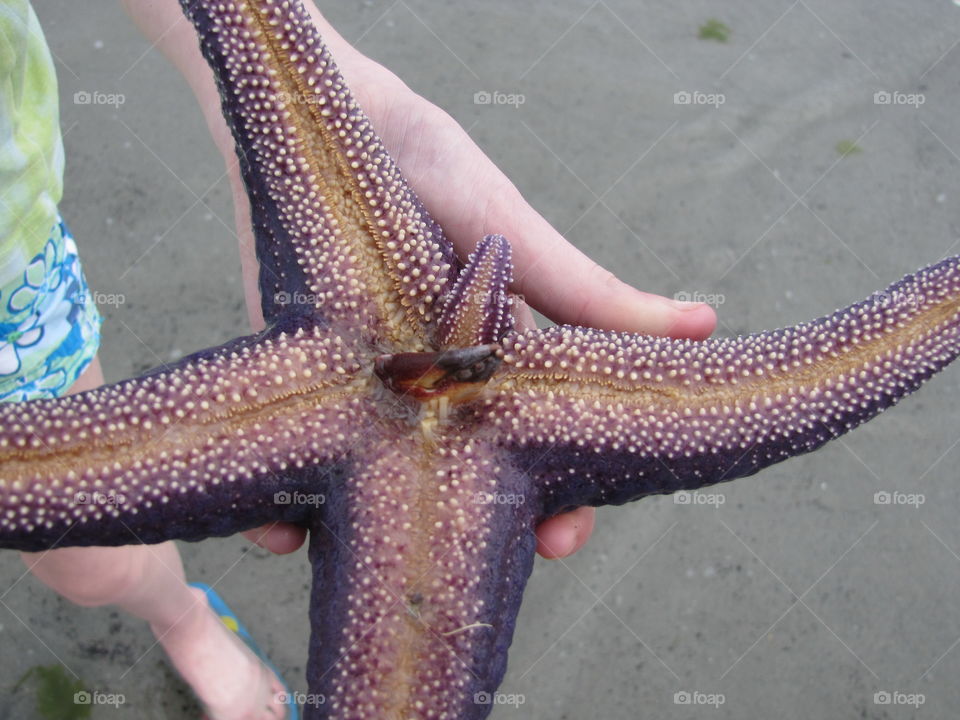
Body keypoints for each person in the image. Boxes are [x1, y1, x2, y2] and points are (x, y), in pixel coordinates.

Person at [5, 1, 717, 718]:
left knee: (91, 555)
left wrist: (329, 82)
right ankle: (181, 619)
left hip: (15, 272)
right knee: (69, 531)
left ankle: (181, 614)